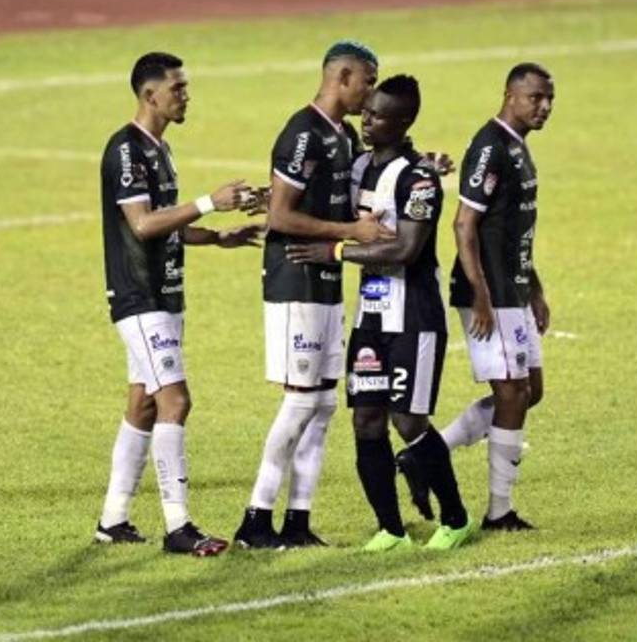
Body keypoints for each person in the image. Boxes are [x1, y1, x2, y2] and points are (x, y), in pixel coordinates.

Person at [287, 75, 471, 551]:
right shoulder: (359, 166)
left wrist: (335, 252)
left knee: (407, 422)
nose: (366, 121)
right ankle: (390, 529)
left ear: (405, 121)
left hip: (415, 316)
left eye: (378, 116)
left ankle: (456, 517)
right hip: (371, 316)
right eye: (365, 112)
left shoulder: (420, 179)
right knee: (365, 419)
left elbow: (407, 249)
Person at [95, 52, 261, 556]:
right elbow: (142, 224)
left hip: (164, 295)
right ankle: (177, 526)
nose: (186, 95)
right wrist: (211, 200)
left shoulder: (160, 150)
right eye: (178, 88)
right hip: (140, 297)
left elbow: (166, 223)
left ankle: (113, 518)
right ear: (150, 95)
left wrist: (217, 237)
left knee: (144, 405)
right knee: (176, 401)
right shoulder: (126, 150)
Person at [234, 40, 392, 549]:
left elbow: (351, 196)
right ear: (342, 77)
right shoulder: (302, 132)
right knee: (301, 402)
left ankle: (298, 521)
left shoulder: (343, 136)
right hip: (294, 275)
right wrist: (348, 231)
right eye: (367, 81)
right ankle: (256, 519)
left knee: (324, 404)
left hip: (324, 273)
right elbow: (280, 216)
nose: (371, 94)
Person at [428, 62, 553, 532]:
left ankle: (430, 452)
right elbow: (464, 224)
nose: (543, 107)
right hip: (490, 291)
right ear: (510, 95)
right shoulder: (490, 146)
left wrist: (534, 288)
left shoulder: (519, 148)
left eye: (549, 100)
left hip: (513, 288)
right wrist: (480, 295)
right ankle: (499, 511)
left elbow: (512, 228)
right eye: (535, 98)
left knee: (528, 392)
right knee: (511, 392)